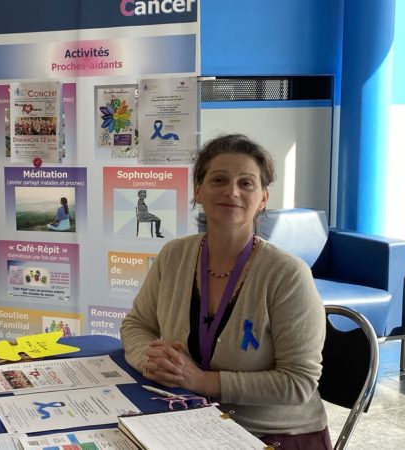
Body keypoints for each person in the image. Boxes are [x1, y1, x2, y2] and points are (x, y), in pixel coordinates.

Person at [120, 134, 329, 448]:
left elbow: (298, 381)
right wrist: (151, 358)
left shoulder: (287, 274)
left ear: (262, 199)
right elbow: (137, 325)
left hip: (273, 434)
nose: (232, 191)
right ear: (198, 191)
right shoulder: (173, 255)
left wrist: (202, 381)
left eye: (247, 183)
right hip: (189, 419)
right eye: (219, 179)